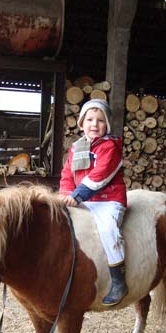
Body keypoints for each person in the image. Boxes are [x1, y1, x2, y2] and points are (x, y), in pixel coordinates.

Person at [59, 99, 128, 306]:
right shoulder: (76, 148)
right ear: (81, 123)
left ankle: (118, 280)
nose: (94, 125)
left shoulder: (110, 147)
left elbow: (100, 175)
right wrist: (64, 193)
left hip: (108, 201)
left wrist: (77, 195)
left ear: (106, 125)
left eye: (100, 121)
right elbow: (67, 174)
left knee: (108, 230)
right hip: (83, 199)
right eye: (89, 119)